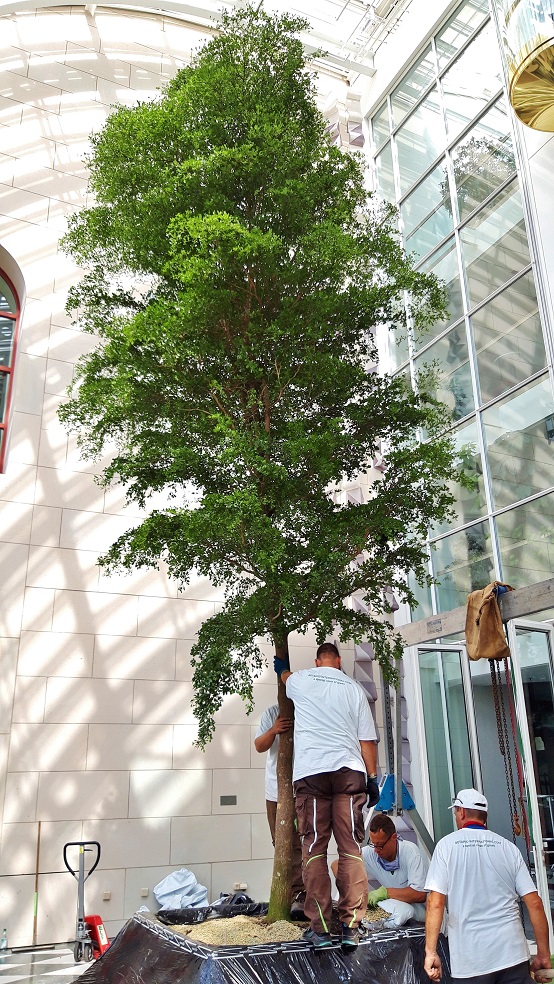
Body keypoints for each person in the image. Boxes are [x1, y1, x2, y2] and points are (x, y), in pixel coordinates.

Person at [275, 642, 380, 950]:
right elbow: (367, 741)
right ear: (338, 662)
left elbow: (286, 676)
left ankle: (320, 929)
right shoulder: (353, 689)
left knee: (315, 849)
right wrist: (372, 779)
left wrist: (280, 666)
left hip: (311, 776)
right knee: (350, 849)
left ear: (318, 661)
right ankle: (349, 926)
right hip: (349, 773)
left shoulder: (303, 679)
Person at [424, 788, 551, 984]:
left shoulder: (446, 847)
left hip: (472, 962)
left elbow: (435, 903)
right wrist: (543, 953)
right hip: (513, 955)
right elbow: (534, 903)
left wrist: (430, 952)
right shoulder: (509, 848)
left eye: (456, 811)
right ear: (485, 816)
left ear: (462, 812)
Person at [254, 704, 305, 917]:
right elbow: (259, 745)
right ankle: (287, 894)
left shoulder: (305, 709)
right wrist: (274, 729)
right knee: (280, 842)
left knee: (296, 844)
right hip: (274, 792)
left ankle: (299, 894)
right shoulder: (271, 712)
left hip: (300, 789)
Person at [362, 813, 428, 927]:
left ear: (393, 838)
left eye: (380, 845)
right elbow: (337, 865)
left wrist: (385, 892)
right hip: (397, 916)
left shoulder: (410, 852)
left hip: (423, 918)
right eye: (373, 844)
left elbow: (420, 894)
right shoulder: (371, 852)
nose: (376, 850)